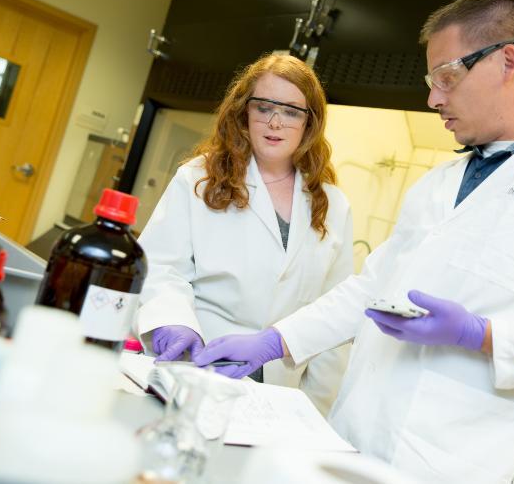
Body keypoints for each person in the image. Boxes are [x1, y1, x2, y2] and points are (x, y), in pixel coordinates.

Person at [192, 0, 514, 483]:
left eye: (446, 78)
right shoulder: (438, 183)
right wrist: (276, 341)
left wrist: (482, 336)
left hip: (453, 466)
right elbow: (371, 290)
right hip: (350, 444)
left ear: (506, 60)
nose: (433, 98)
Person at [135, 54, 354, 416]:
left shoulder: (332, 203)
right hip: (196, 365)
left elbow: (333, 314)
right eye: (264, 106)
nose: (274, 122)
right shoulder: (199, 178)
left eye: (291, 111)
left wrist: (313, 408)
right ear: (243, 111)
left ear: (309, 122)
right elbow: (159, 266)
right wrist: (172, 320)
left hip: (277, 393)